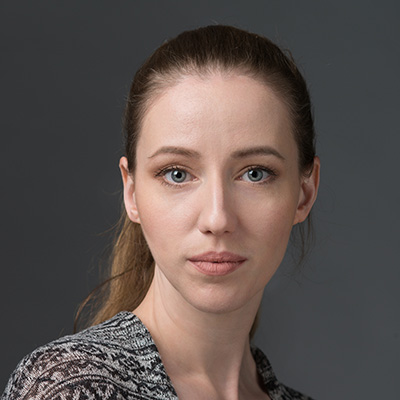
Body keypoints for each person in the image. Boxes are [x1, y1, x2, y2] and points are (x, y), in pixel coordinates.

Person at [2, 25, 320, 400]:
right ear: (132, 192)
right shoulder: (69, 388)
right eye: (177, 174)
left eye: (255, 174)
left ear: (304, 194)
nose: (217, 219)